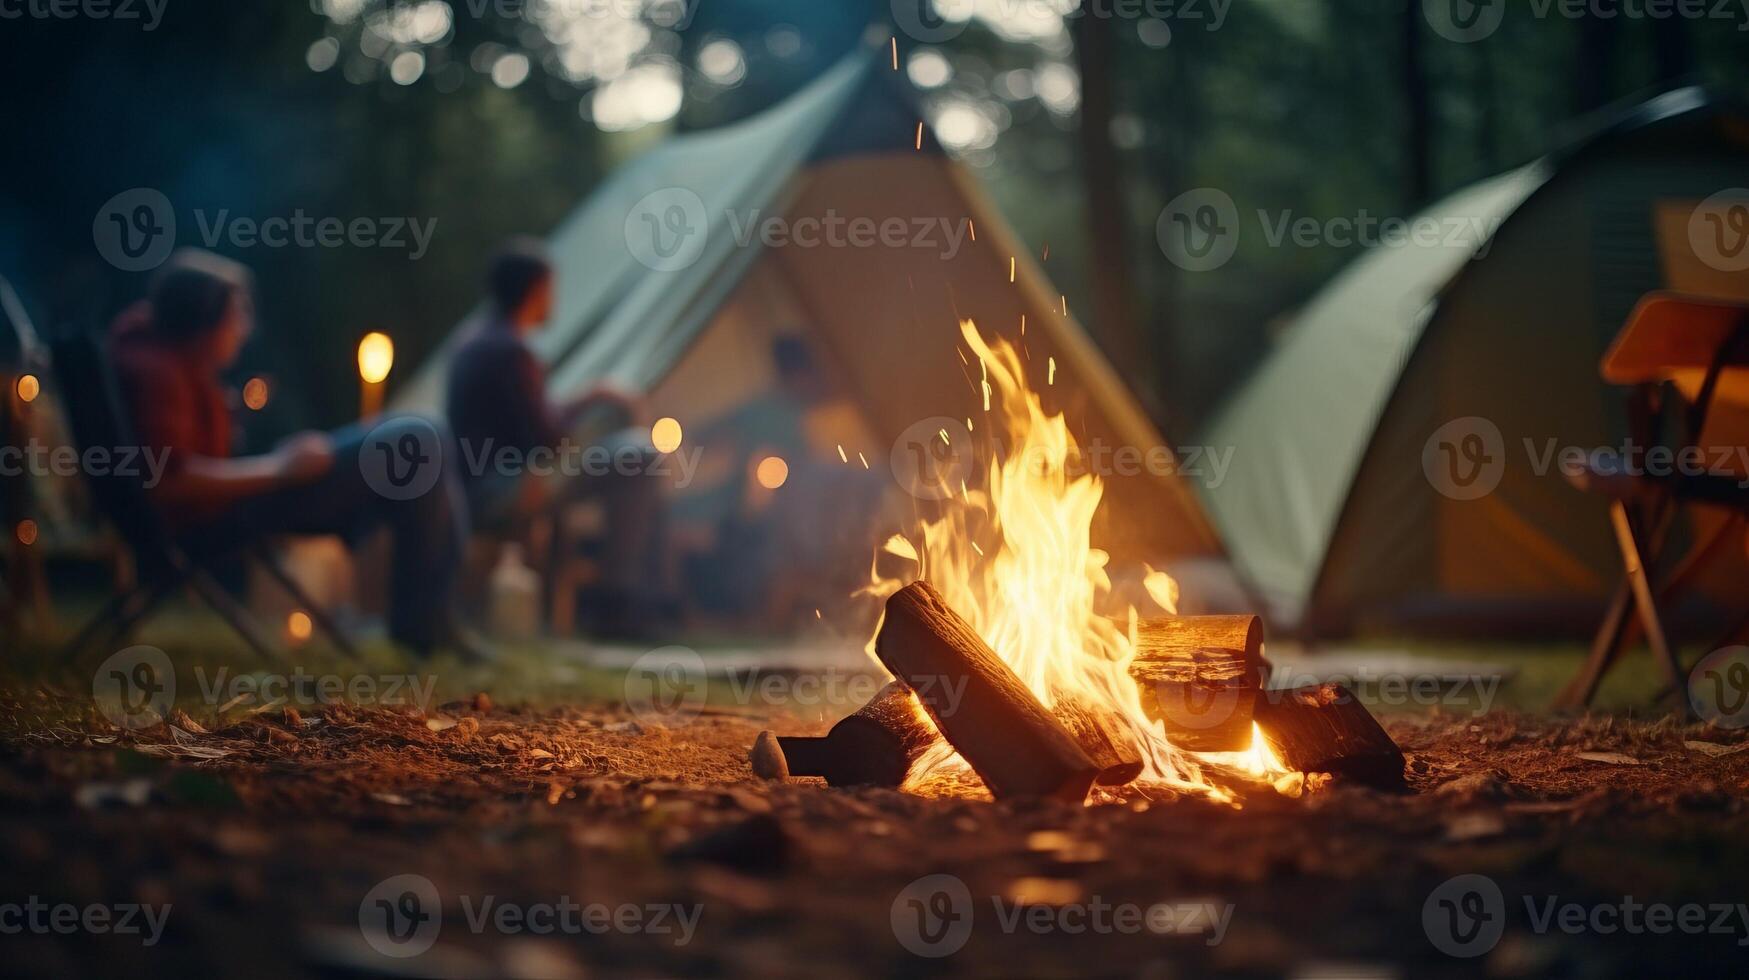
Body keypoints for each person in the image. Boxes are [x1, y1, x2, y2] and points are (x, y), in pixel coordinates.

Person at [109, 248, 480, 659]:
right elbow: (169, 481)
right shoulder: (157, 374)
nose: (243, 329)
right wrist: (281, 468)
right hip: (222, 515)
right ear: (201, 325)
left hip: (236, 503)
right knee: (419, 439)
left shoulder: (166, 360)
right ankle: (425, 622)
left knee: (427, 438)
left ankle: (429, 619)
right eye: (236, 317)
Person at [445, 238, 665, 634]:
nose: (553, 301)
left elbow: (531, 420)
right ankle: (618, 600)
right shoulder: (511, 350)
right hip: (505, 488)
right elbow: (549, 439)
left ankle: (618, 596)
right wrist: (597, 400)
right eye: (549, 290)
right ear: (534, 290)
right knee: (640, 455)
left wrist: (591, 396)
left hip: (478, 484)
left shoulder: (474, 341)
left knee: (628, 450)